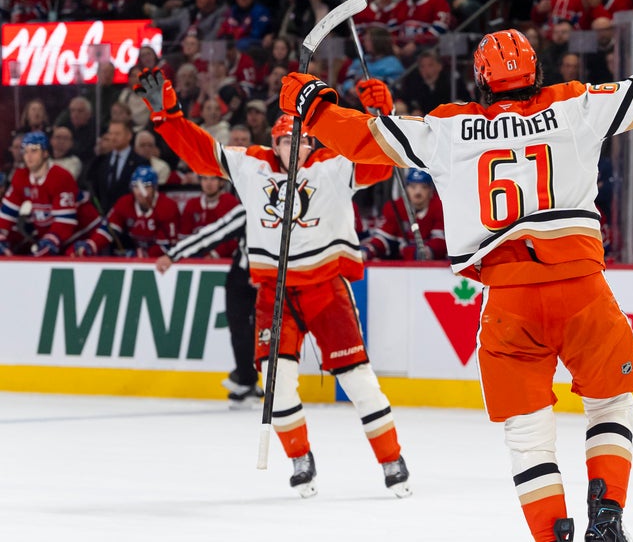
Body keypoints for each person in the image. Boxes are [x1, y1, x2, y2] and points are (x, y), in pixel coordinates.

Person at [285, 17, 633, 541]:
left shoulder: (449, 126)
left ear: (481, 80)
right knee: (609, 402)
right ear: (536, 70)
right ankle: (607, 514)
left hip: (509, 301)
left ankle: (552, 535)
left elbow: (364, 139)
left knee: (528, 435)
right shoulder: (574, 102)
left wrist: (314, 105)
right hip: (581, 288)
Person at [129, 73, 413, 500]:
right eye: (287, 143)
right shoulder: (252, 165)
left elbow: (383, 157)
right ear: (276, 143)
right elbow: (205, 156)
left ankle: (391, 458)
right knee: (276, 384)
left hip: (325, 289)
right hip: (273, 293)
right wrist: (168, 118)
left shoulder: (334, 167)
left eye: (304, 143)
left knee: (358, 381)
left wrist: (383, 115)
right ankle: (300, 458)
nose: (295, 150)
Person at [156, 201, 262, 406]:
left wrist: (269, 274)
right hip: (241, 276)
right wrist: (173, 255)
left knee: (269, 331)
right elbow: (211, 235)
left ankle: (256, 377)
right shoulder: (248, 211)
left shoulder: (294, 212)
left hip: (275, 277)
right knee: (239, 327)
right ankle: (247, 380)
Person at [0, 132, 79, 257]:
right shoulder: (21, 176)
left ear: (45, 153)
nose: (28, 156)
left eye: (34, 151)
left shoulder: (61, 176)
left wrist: (49, 241)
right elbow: (6, 214)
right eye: (25, 151)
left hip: (80, 236)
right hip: (48, 236)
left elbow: (65, 222)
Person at [73, 166, 179, 258]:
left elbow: (168, 245)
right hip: (137, 254)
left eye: (146, 187)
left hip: (163, 261)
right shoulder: (125, 203)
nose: (140, 192)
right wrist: (92, 245)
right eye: (136, 186)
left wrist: (143, 255)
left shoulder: (167, 206)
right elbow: (108, 230)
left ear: (155, 187)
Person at [360, 169, 447, 260]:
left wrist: (427, 251)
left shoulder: (440, 207)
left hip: (433, 268)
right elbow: (384, 238)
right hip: (401, 266)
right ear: (406, 189)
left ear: (431, 190)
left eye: (424, 187)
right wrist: (369, 249)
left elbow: (441, 241)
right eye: (413, 187)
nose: (418, 192)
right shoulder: (395, 207)